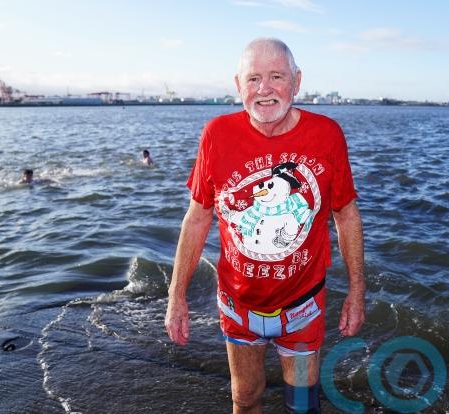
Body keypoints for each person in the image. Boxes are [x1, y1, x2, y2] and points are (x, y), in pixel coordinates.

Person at [165, 38, 365, 414]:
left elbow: (346, 214)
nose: (265, 89)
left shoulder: (326, 135)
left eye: (277, 76)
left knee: (302, 404)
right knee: (245, 398)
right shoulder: (216, 134)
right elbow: (197, 217)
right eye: (254, 78)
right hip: (237, 306)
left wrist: (357, 292)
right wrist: (177, 296)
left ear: (297, 81)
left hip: (302, 307)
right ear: (238, 84)